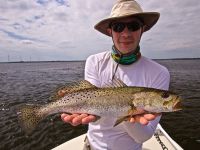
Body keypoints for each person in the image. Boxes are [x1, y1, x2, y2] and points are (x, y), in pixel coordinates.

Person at [61, 0, 170, 149]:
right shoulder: (95, 61)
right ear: (110, 31)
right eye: (118, 27)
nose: (125, 34)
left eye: (133, 26)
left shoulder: (159, 72)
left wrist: (128, 113)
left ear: (142, 29)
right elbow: (93, 118)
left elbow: (143, 136)